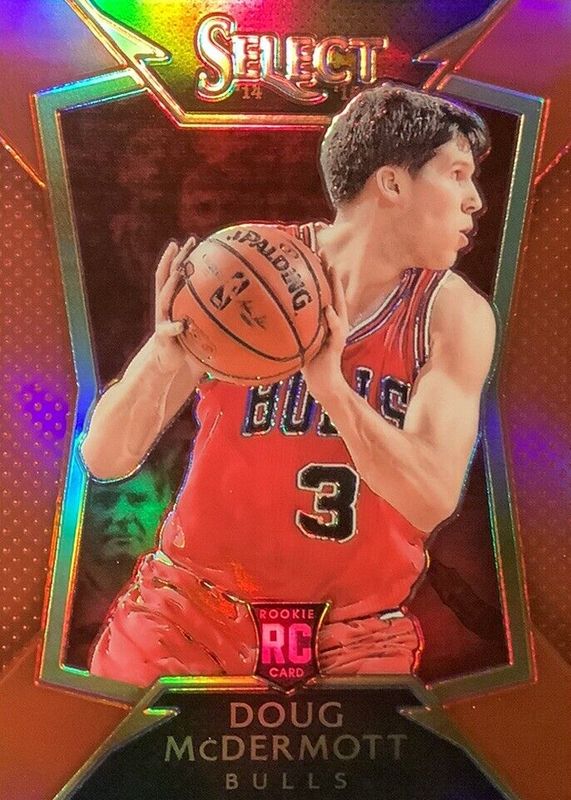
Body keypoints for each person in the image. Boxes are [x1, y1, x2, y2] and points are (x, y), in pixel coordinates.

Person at [82, 84, 496, 687]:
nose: (474, 200)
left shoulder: (452, 314)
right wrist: (163, 359)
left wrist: (333, 392)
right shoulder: (247, 265)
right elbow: (104, 457)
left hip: (354, 633)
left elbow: (431, 497)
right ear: (392, 183)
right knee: (120, 744)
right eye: (457, 174)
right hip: (191, 611)